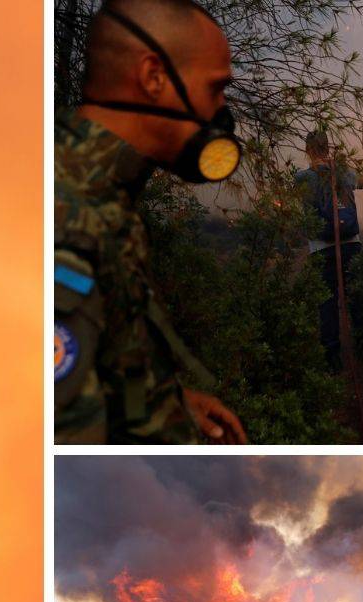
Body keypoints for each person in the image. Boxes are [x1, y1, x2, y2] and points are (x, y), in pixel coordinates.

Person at [54, 0, 247, 444]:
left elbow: (104, 360)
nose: (221, 112)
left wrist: (169, 401)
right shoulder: (71, 221)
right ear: (153, 77)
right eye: (215, 89)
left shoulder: (103, 192)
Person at [295, 129, 363, 373]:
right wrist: (338, 165)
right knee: (355, 296)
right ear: (327, 147)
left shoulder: (302, 177)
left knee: (327, 303)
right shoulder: (343, 171)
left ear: (307, 150)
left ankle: (332, 359)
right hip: (351, 244)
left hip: (321, 249)